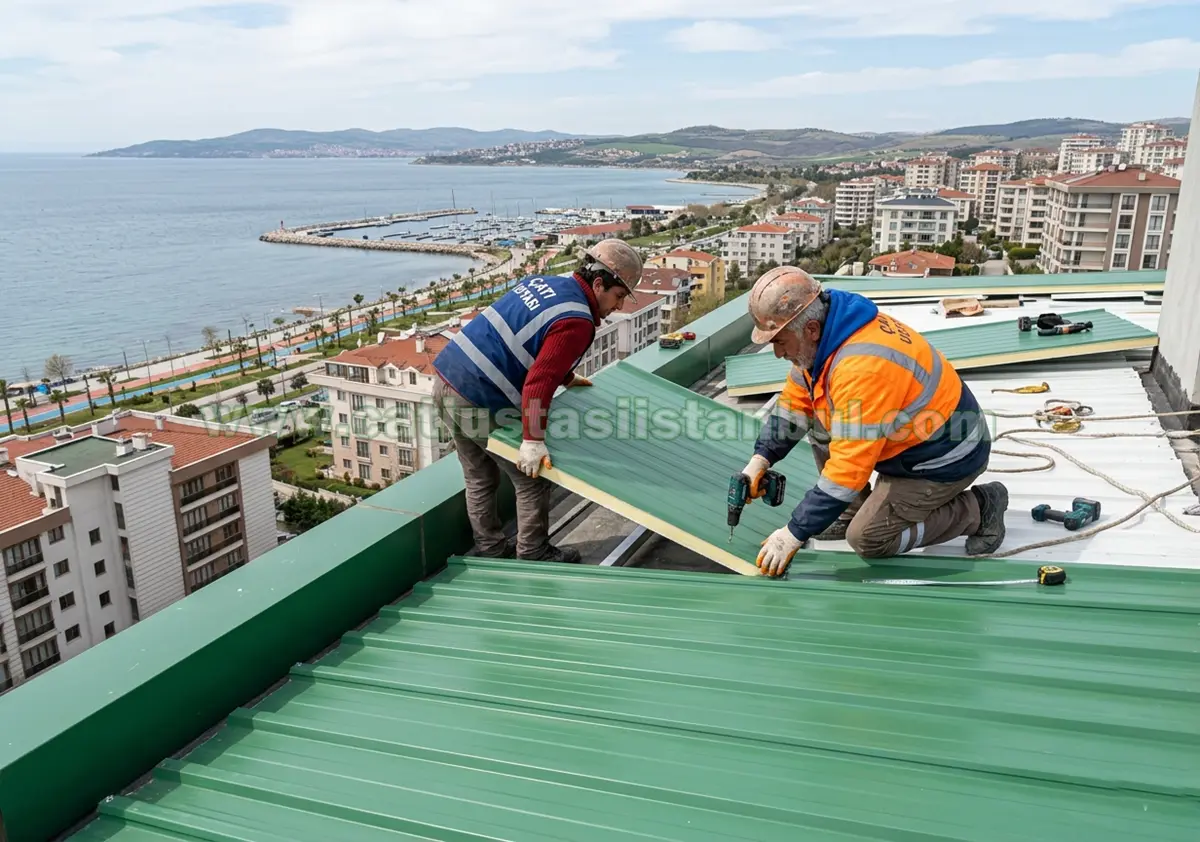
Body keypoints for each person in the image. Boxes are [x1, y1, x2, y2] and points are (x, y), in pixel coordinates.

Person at [740, 266, 1008, 577]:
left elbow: (847, 471)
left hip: (942, 459)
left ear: (810, 328)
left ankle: (979, 508)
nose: (777, 353)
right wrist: (761, 458)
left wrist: (793, 533)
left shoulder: (862, 367)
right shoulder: (828, 329)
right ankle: (847, 510)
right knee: (820, 418)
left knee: (868, 539)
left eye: (780, 341)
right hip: (910, 443)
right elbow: (796, 402)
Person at [432, 239, 643, 563]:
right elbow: (538, 383)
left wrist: (566, 376)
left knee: (479, 477)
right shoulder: (577, 319)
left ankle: (490, 550)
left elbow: (526, 341)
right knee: (532, 479)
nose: (619, 306)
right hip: (477, 398)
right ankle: (533, 552)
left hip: (446, 380)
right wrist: (532, 441)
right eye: (618, 297)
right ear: (599, 283)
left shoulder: (543, 283)